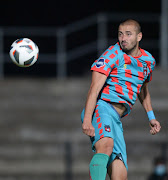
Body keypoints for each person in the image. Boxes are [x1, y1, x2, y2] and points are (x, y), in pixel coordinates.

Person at [81, 19, 161, 180]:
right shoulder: (112, 54)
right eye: (120, 34)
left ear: (139, 37)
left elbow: (142, 89)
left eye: (128, 34)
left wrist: (151, 117)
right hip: (102, 108)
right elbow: (94, 88)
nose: (123, 38)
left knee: (120, 173)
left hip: (116, 119)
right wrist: (87, 120)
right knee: (106, 146)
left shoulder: (148, 61)